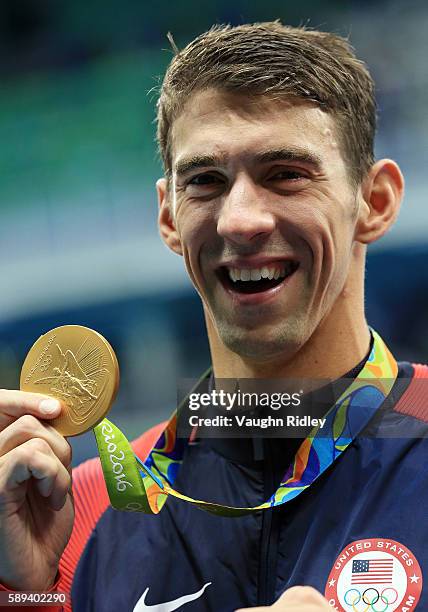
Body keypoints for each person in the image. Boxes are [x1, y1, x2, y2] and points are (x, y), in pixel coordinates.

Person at [0, 21, 426, 612]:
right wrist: (25, 595)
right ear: (170, 216)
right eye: (205, 181)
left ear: (374, 202)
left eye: (285, 175)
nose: (239, 220)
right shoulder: (81, 511)